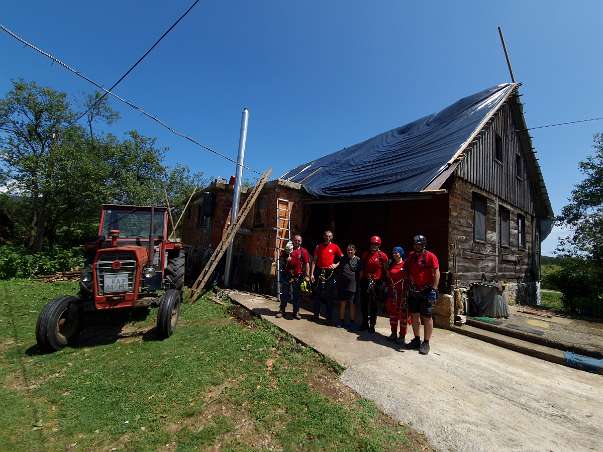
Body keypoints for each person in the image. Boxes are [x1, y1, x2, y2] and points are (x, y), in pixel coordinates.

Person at [405, 234, 440, 355]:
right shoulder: (411, 256)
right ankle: (416, 339)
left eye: (418, 244)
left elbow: (437, 272)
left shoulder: (430, 256)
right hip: (414, 290)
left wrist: (434, 289)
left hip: (426, 290)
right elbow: (407, 269)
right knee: (414, 315)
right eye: (415, 244)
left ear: (423, 245)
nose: (416, 246)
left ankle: (426, 342)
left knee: (427, 316)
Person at [310, 230, 343, 324]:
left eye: (329, 236)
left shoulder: (335, 247)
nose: (327, 237)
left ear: (331, 237)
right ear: (323, 236)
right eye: (326, 236)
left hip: (330, 273)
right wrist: (311, 274)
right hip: (319, 272)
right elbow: (314, 261)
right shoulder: (318, 247)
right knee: (317, 294)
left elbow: (342, 258)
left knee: (329, 296)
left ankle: (329, 318)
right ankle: (316, 315)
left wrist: (336, 265)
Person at [276, 234, 310, 319]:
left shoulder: (303, 251)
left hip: (298, 276)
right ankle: (282, 310)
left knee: (297, 295)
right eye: (296, 240)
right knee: (285, 294)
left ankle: (296, 312)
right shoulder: (288, 249)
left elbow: (307, 264)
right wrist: (285, 259)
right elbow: (281, 258)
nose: (297, 242)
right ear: (293, 241)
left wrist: (307, 275)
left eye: (299, 241)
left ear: (301, 242)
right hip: (287, 275)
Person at [359, 236, 388, 333]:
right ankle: (364, 323)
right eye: (372, 244)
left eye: (376, 244)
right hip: (366, 281)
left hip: (376, 283)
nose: (373, 246)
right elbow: (363, 268)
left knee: (374, 305)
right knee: (364, 303)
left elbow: (386, 270)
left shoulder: (382, 256)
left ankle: (372, 324)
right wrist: (360, 280)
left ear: (379, 245)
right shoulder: (365, 254)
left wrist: (386, 283)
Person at [385, 246, 411, 344]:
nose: (395, 254)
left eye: (397, 252)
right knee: (393, 315)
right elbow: (388, 276)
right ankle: (393, 333)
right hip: (392, 293)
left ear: (401, 253)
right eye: (394, 252)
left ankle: (402, 336)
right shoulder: (391, 264)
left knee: (403, 316)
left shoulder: (405, 265)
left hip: (402, 294)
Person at [337, 244, 362, 328]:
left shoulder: (358, 260)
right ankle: (341, 321)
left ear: (355, 251)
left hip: (352, 286)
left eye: (351, 250)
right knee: (342, 303)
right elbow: (339, 268)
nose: (350, 251)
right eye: (348, 250)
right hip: (343, 285)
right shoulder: (343, 259)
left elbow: (361, 273)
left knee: (352, 304)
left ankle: (352, 322)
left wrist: (358, 282)